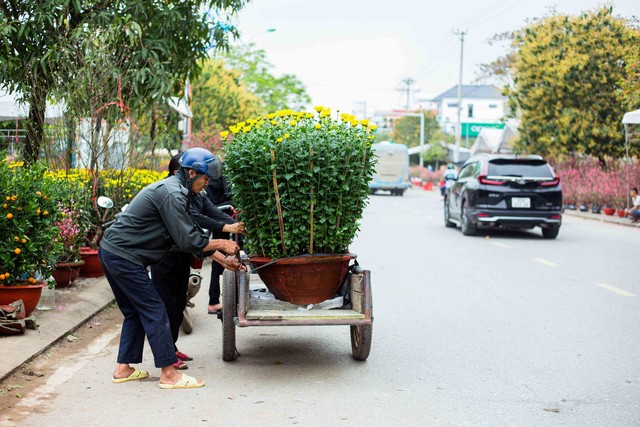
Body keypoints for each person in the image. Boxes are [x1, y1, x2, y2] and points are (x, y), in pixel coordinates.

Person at [99, 147, 243, 389]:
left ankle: (123, 369)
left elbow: (187, 235)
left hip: (113, 251)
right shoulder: (173, 194)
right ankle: (169, 374)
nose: (206, 184)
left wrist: (221, 253)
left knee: (135, 311)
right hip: (124, 257)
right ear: (190, 173)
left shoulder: (180, 193)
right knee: (155, 308)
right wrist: (222, 243)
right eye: (204, 178)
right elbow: (189, 240)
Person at [204, 171, 242, 315]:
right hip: (220, 212)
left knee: (218, 255)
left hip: (215, 212)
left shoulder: (220, 169)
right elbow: (229, 191)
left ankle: (214, 300)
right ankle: (234, 299)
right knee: (233, 252)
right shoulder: (227, 168)